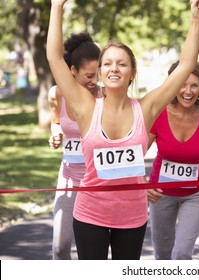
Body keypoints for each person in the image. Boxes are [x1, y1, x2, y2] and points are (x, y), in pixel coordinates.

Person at [47, 0, 199, 260]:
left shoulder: (145, 110)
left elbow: (186, 64)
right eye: (108, 64)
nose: (114, 68)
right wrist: (56, 6)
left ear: (132, 73)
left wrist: (196, 19)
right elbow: (54, 58)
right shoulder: (86, 107)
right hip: (90, 214)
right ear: (99, 72)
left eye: (121, 64)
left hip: (132, 218)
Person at [147, 61, 199, 260]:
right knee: (162, 254)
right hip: (160, 193)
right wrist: (142, 183)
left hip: (197, 193)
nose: (187, 91)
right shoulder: (159, 113)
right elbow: (137, 152)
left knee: (181, 253)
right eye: (182, 84)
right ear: (172, 85)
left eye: (194, 85)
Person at [48, 32, 101, 260]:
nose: (95, 81)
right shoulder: (57, 94)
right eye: (89, 75)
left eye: (98, 74)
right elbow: (56, 122)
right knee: (60, 246)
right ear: (72, 71)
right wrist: (56, 133)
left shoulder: (105, 97)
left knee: (90, 250)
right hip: (69, 176)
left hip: (98, 179)